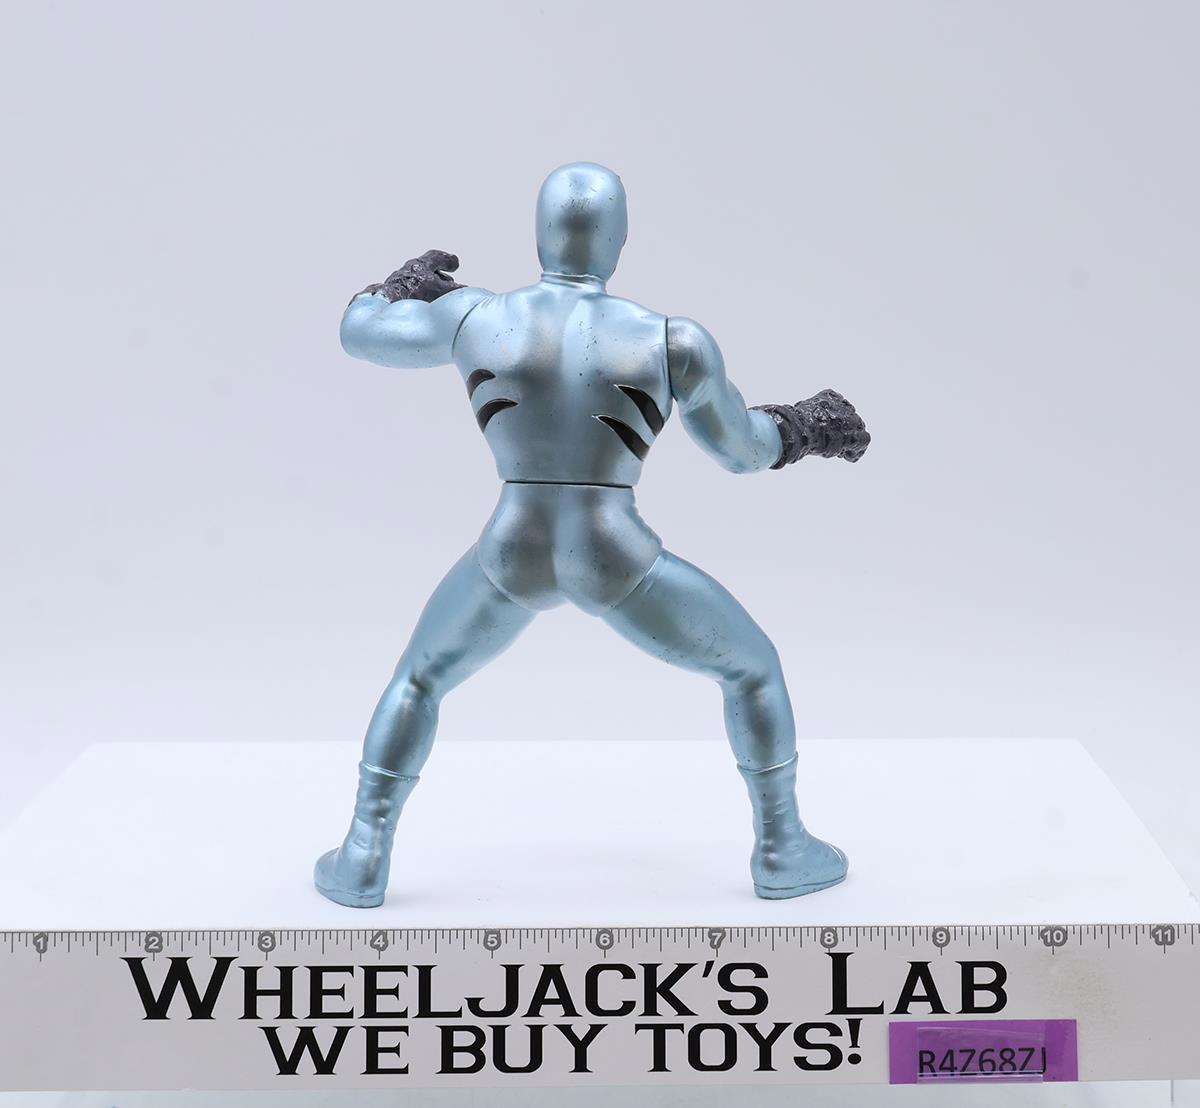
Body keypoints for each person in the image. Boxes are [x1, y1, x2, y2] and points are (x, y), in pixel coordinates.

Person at [315, 162, 870, 908]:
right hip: (613, 550)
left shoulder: (476, 317)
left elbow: (359, 332)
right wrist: (807, 427)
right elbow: (742, 450)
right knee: (753, 670)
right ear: (619, 239)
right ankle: (782, 846)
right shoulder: (670, 340)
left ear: (541, 232)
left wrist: (396, 286)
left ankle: (362, 854)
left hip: (511, 545)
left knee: (419, 678)